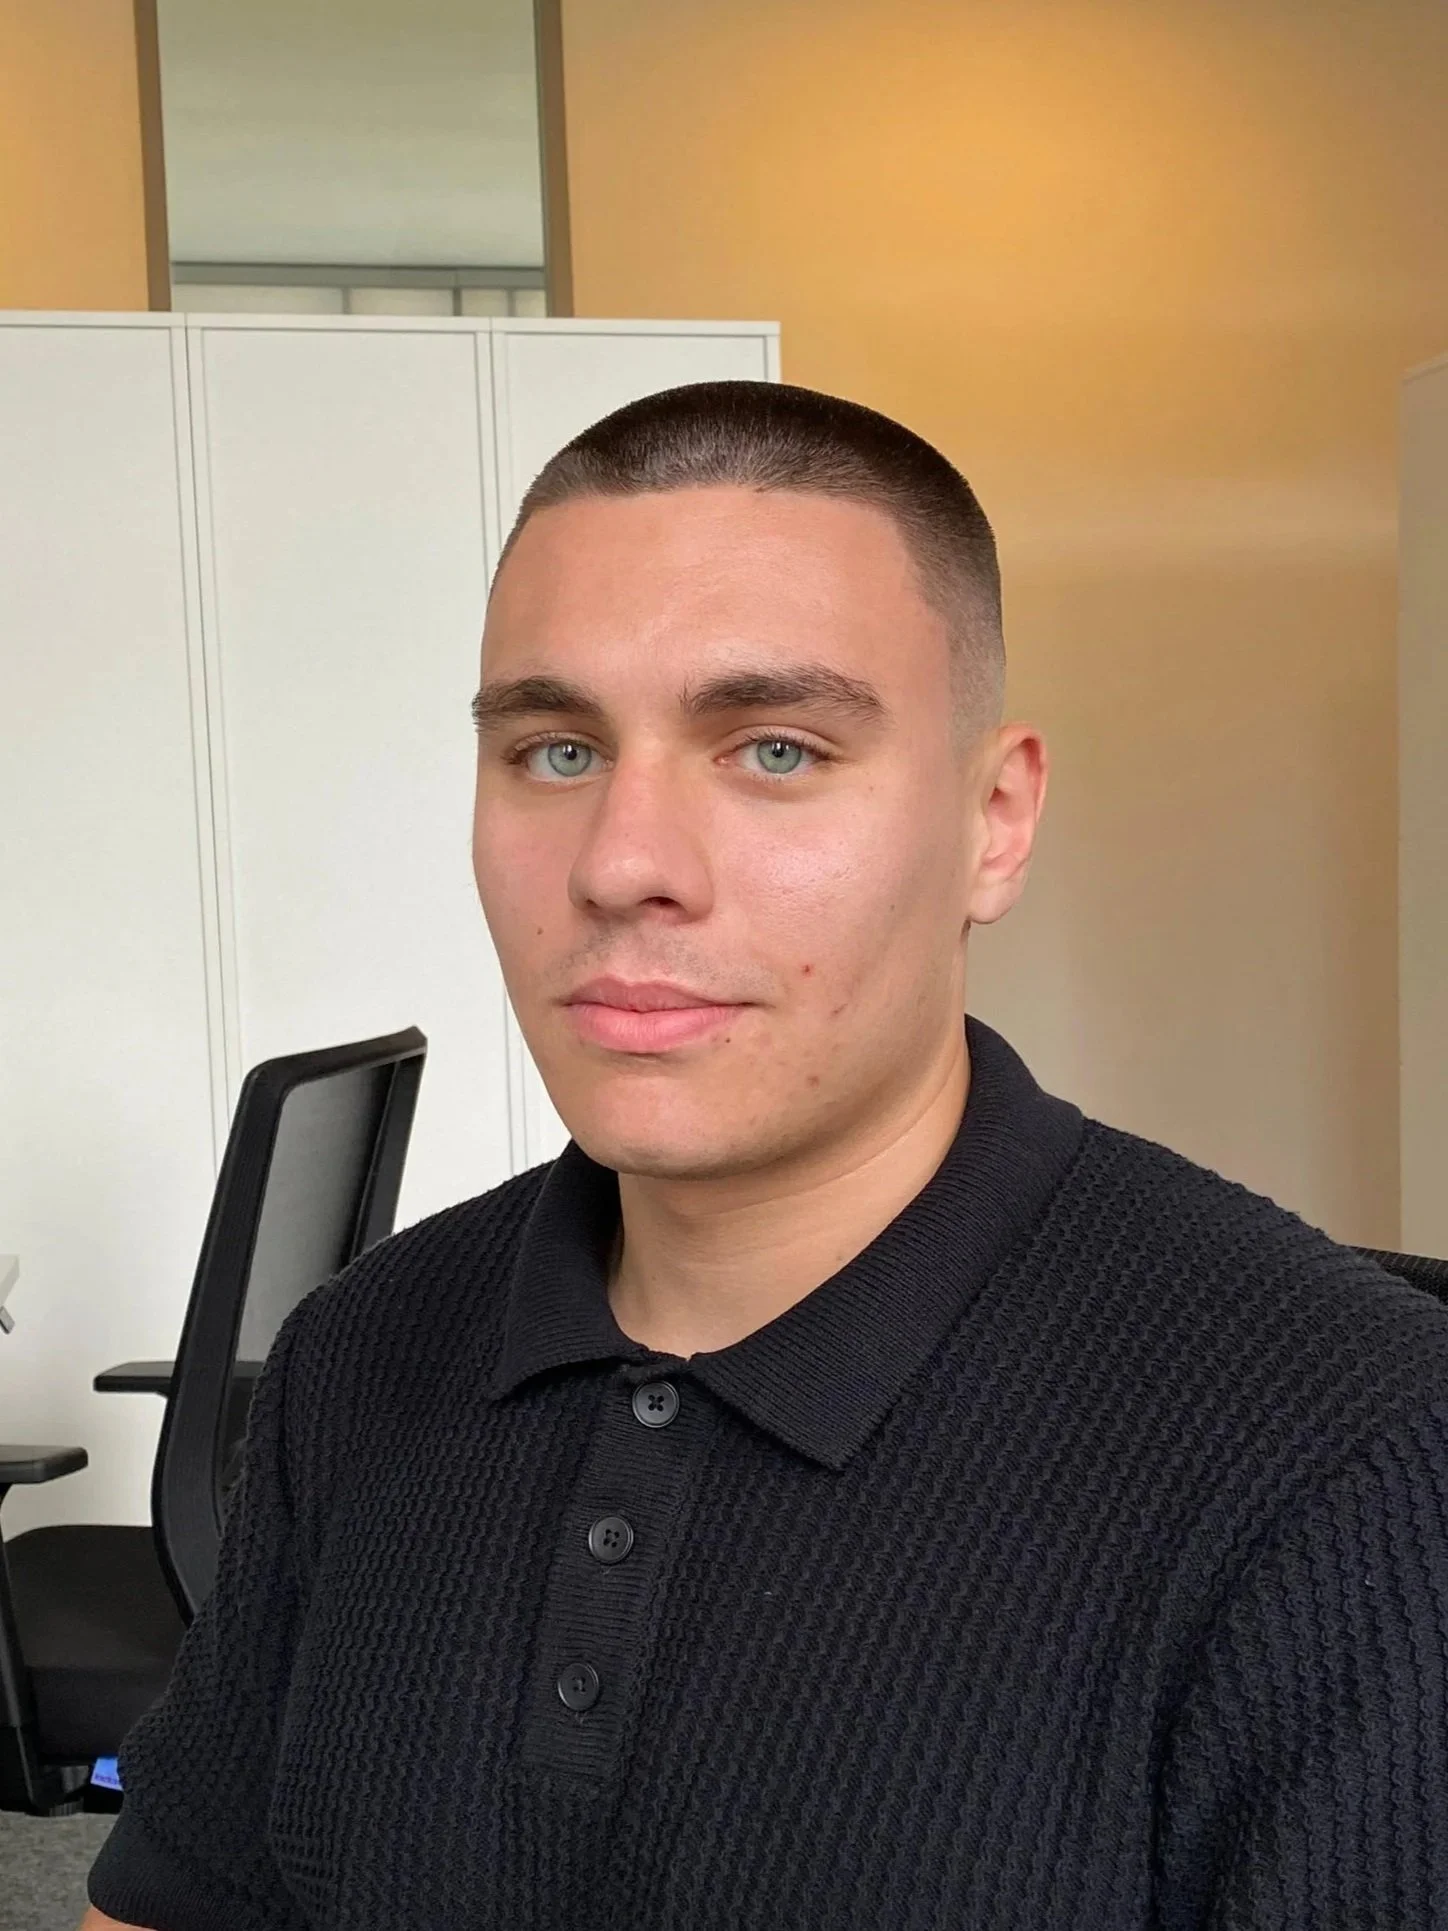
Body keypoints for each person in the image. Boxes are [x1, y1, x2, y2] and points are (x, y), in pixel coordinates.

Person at [85, 381, 1448, 1931]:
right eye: (551, 750)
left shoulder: (1354, 1460)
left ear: (993, 823)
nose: (622, 863)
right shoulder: (359, 1354)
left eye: (778, 750)